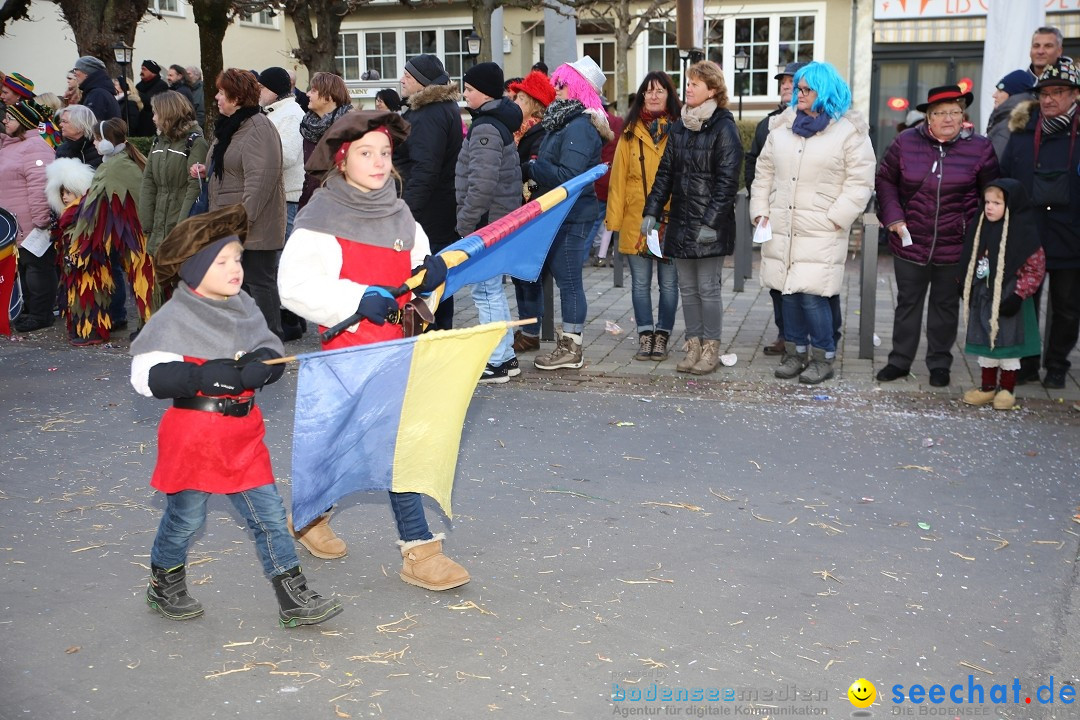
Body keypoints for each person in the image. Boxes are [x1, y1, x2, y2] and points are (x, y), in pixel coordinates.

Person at [278, 111, 469, 592]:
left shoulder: (401, 215)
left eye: (385, 153)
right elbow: (292, 286)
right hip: (345, 355)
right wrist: (355, 299)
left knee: (390, 444)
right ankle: (326, 522)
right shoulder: (320, 219)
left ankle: (403, 547)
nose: (380, 162)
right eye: (366, 153)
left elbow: (417, 287)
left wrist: (430, 285)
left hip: (398, 353)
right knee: (356, 442)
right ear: (342, 160)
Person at [130, 204, 342, 627]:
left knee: (268, 518)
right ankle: (164, 581)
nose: (235, 269)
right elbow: (145, 377)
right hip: (194, 437)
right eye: (222, 261)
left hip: (243, 436)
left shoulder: (242, 304)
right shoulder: (173, 317)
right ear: (194, 269)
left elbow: (268, 345)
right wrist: (203, 376)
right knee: (186, 519)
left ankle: (292, 595)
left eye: (238, 259)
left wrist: (264, 365)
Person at [751, 62, 876, 384]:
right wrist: (761, 210)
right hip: (783, 222)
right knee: (787, 292)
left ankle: (823, 356)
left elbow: (860, 182)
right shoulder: (782, 127)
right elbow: (763, 172)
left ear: (826, 91)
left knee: (813, 294)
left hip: (822, 227)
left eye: (807, 89)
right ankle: (795, 352)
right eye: (798, 89)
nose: (799, 94)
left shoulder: (848, 131)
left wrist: (836, 218)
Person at [875, 84, 1000, 387]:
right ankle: (899, 360)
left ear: (963, 116)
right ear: (928, 117)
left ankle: (940, 362)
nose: (948, 118)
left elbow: (992, 193)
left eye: (954, 112)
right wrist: (893, 216)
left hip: (955, 244)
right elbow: (885, 181)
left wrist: (981, 236)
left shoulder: (980, 148)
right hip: (910, 240)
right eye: (941, 112)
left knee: (945, 306)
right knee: (908, 303)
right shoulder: (905, 142)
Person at [642, 60, 742, 376]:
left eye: (695, 83)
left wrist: (712, 223)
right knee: (687, 288)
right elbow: (665, 174)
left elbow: (728, 181)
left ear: (712, 89)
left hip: (709, 225)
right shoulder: (680, 126)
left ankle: (711, 349)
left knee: (708, 288)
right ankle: (693, 346)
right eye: (688, 82)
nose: (688, 88)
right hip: (682, 223)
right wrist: (652, 211)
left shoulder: (725, 127)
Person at [525, 56, 612, 370]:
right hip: (562, 213)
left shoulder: (578, 126)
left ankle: (571, 349)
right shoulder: (564, 121)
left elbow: (567, 176)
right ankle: (569, 345)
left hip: (572, 214)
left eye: (563, 83)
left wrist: (534, 166)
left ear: (578, 89)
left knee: (570, 280)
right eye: (556, 82)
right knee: (567, 279)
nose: (556, 88)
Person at [1000, 59, 1080, 389]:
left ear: (1075, 95)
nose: (1048, 99)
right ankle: (1028, 363)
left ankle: (1058, 364)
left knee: (1067, 307)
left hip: (1072, 235)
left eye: (1058, 92)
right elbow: (1003, 180)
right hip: (1029, 234)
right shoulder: (1021, 133)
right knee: (1026, 303)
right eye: (1044, 93)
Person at [188, 68, 286, 338]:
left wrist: (239, 224)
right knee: (238, 284)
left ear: (237, 97)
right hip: (228, 220)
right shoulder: (230, 127)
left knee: (259, 283)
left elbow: (260, 183)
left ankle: (269, 341)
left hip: (252, 225)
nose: (217, 98)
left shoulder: (258, 128)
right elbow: (228, 167)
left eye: (222, 92)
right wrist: (205, 170)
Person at [605, 71, 681, 361]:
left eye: (659, 91)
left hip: (669, 219)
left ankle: (663, 335)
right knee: (639, 283)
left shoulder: (680, 129)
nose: (653, 95)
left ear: (668, 95)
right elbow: (618, 180)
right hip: (636, 218)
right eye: (648, 91)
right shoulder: (629, 131)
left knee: (669, 283)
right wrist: (613, 221)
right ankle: (645, 335)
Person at [455, 62, 523, 383]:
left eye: (468, 88)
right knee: (491, 290)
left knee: (486, 292)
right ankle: (506, 356)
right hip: (496, 219)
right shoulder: (496, 122)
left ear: (484, 92)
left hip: (486, 222)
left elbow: (481, 183)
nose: (464, 92)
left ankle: (496, 361)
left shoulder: (485, 127)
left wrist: (465, 224)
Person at [62, 118, 154, 345]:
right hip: (122, 232)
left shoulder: (118, 166)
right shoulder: (114, 162)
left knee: (144, 281)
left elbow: (96, 203)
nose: (94, 143)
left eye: (97, 138)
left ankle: (149, 328)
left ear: (107, 142)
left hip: (133, 233)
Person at [960, 180, 1045, 409]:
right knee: (986, 343)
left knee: (1008, 344)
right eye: (987, 202)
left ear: (1011, 204)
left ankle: (1007, 389)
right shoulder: (981, 227)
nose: (989, 207)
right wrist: (964, 284)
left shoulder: (1024, 233)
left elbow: (1035, 268)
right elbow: (970, 256)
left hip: (1010, 296)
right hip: (984, 294)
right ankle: (987, 387)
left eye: (997, 203)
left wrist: (1019, 295)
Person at [395, 53, 462, 330]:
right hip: (438, 205)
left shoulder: (428, 114)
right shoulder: (439, 109)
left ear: (422, 82)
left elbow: (425, 169)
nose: (402, 80)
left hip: (428, 210)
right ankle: (438, 329)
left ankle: (432, 332)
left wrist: (408, 213)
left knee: (428, 273)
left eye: (408, 76)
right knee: (438, 272)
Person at [745, 61, 804, 357]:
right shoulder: (766, 124)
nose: (785, 84)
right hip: (773, 215)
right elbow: (753, 164)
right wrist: (760, 204)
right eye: (783, 81)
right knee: (776, 278)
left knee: (807, 280)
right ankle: (785, 334)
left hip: (806, 218)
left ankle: (818, 335)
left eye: (792, 81)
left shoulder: (823, 122)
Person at [506, 70, 555, 354]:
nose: (515, 101)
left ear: (534, 103)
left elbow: (533, 167)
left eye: (521, 97)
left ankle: (531, 330)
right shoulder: (519, 128)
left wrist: (516, 169)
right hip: (517, 208)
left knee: (529, 275)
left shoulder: (538, 131)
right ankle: (526, 328)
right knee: (518, 275)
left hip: (532, 210)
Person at [1, 100, 55, 333]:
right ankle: (27, 309)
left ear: (23, 122)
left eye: (10, 118)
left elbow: (40, 185)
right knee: (21, 268)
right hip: (12, 222)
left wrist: (41, 221)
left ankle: (40, 314)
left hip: (30, 222)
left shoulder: (35, 147)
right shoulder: (9, 145)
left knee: (36, 268)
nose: (4, 120)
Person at [139, 91, 208, 258]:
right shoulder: (159, 142)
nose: (153, 118)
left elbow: (194, 188)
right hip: (159, 225)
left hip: (179, 225)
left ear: (168, 113)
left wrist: (181, 228)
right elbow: (149, 181)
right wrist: (146, 220)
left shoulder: (195, 143)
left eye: (156, 113)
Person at [299, 72, 353, 210]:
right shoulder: (309, 126)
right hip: (311, 202)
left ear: (328, 97)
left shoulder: (350, 127)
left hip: (341, 205)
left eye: (313, 91)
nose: (307, 94)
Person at [587, 95, 624, 266]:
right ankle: (614, 256)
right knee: (616, 219)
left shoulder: (592, 124)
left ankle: (585, 256)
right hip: (617, 175)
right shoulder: (620, 122)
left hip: (600, 176)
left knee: (595, 220)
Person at [986, 70, 1034, 160]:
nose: (994, 95)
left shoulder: (1009, 126)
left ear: (1013, 95)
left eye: (1000, 91)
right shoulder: (1009, 120)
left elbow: (992, 165)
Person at [72, 56, 119, 121]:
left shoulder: (97, 94)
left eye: (76, 69)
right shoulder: (98, 92)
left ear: (86, 72)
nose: (74, 74)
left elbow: (90, 124)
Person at [135, 60, 169, 136]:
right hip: (140, 123)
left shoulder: (161, 85)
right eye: (141, 69)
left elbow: (151, 101)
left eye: (144, 69)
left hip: (152, 124)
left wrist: (136, 94)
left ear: (152, 71)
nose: (141, 72)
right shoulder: (139, 86)